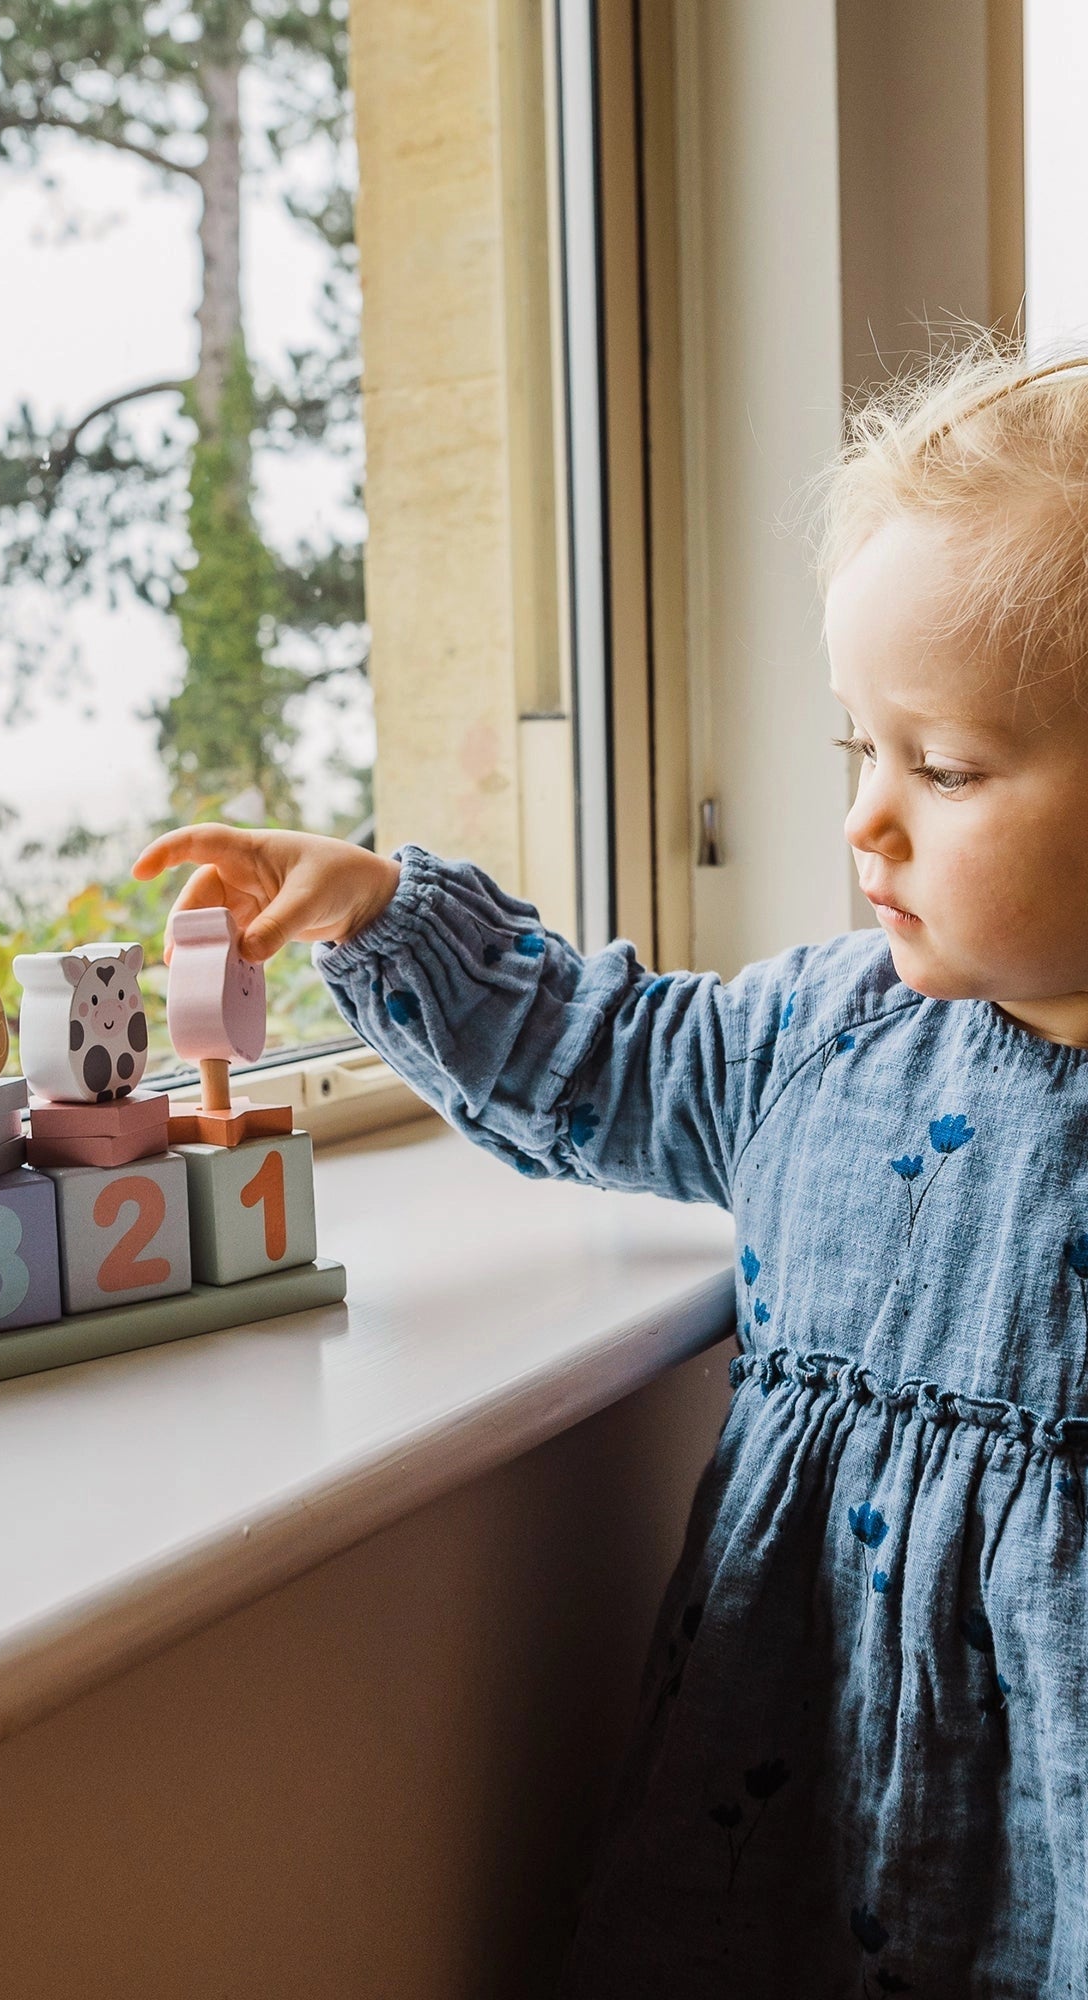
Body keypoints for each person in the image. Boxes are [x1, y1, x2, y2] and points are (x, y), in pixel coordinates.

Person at [135, 343, 1088, 1994]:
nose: (867, 821)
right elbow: (600, 1052)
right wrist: (379, 910)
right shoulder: (819, 1041)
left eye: (942, 769)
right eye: (858, 747)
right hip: (785, 1822)